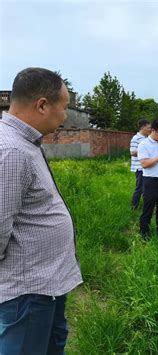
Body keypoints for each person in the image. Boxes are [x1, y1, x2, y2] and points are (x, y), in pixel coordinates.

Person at [0, 67, 83, 353]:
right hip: (27, 290)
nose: (66, 116)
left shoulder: (26, 143)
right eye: (64, 107)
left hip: (46, 283)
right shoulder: (11, 151)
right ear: (43, 105)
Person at [130, 119, 151, 210]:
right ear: (142, 128)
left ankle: (146, 205)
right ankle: (134, 207)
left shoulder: (146, 138)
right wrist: (145, 151)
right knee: (139, 188)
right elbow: (132, 152)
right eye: (148, 127)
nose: (150, 129)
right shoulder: (136, 138)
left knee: (146, 188)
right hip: (139, 167)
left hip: (146, 167)